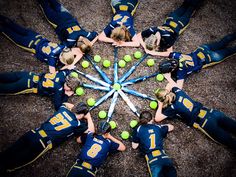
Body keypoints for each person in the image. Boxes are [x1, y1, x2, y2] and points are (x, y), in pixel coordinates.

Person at [0, 102, 91, 174]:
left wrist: (77, 108)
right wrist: (89, 117)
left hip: (33, 133)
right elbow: (91, 131)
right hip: (41, 143)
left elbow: (66, 103)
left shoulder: (63, 109)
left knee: (9, 152)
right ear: (82, 114)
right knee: (14, 163)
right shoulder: (78, 124)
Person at [154, 73, 236, 150]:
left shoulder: (173, 108)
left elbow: (157, 118)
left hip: (205, 123)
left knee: (230, 142)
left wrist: (160, 104)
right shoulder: (178, 92)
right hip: (212, 112)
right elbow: (170, 85)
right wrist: (168, 80)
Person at [0, 15, 83, 73]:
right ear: (61, 58)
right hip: (29, 44)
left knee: (15, 27)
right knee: (8, 32)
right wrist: (66, 67)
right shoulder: (52, 58)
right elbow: (53, 74)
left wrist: (71, 63)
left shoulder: (64, 48)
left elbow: (79, 52)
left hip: (36, 37)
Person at [158, 33, 236, 88]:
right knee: (222, 43)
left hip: (209, 58)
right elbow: (168, 53)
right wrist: (151, 52)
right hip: (203, 49)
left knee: (230, 51)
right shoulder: (177, 56)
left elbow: (179, 88)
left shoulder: (181, 71)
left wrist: (168, 78)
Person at [137, 0, 203, 56]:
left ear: (157, 43)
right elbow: (138, 35)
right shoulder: (152, 30)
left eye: (156, 47)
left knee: (191, 8)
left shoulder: (167, 39)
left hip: (180, 23)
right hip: (172, 18)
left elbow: (169, 53)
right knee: (185, 5)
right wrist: (145, 47)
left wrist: (154, 53)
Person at [0, 70, 80, 110]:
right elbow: (57, 106)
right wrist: (66, 95)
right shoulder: (58, 89)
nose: (70, 90)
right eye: (70, 89)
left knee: (5, 77)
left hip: (28, 75)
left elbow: (66, 71)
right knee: (5, 88)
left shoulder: (62, 74)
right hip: (27, 85)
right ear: (68, 86)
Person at [132, 111, 176, 177]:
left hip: (152, 159)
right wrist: (162, 126)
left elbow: (134, 146)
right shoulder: (158, 127)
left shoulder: (138, 129)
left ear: (140, 120)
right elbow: (171, 127)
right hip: (164, 157)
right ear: (152, 119)